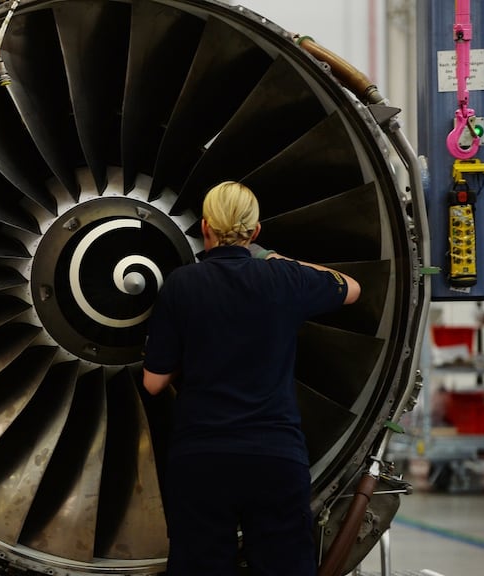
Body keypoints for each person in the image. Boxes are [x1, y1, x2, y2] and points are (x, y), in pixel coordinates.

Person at [142, 181, 360, 576]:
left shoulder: (182, 285)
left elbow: (154, 383)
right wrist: (273, 258)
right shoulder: (283, 279)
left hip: (203, 457)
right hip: (274, 456)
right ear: (255, 231)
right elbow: (352, 289)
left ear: (205, 226)